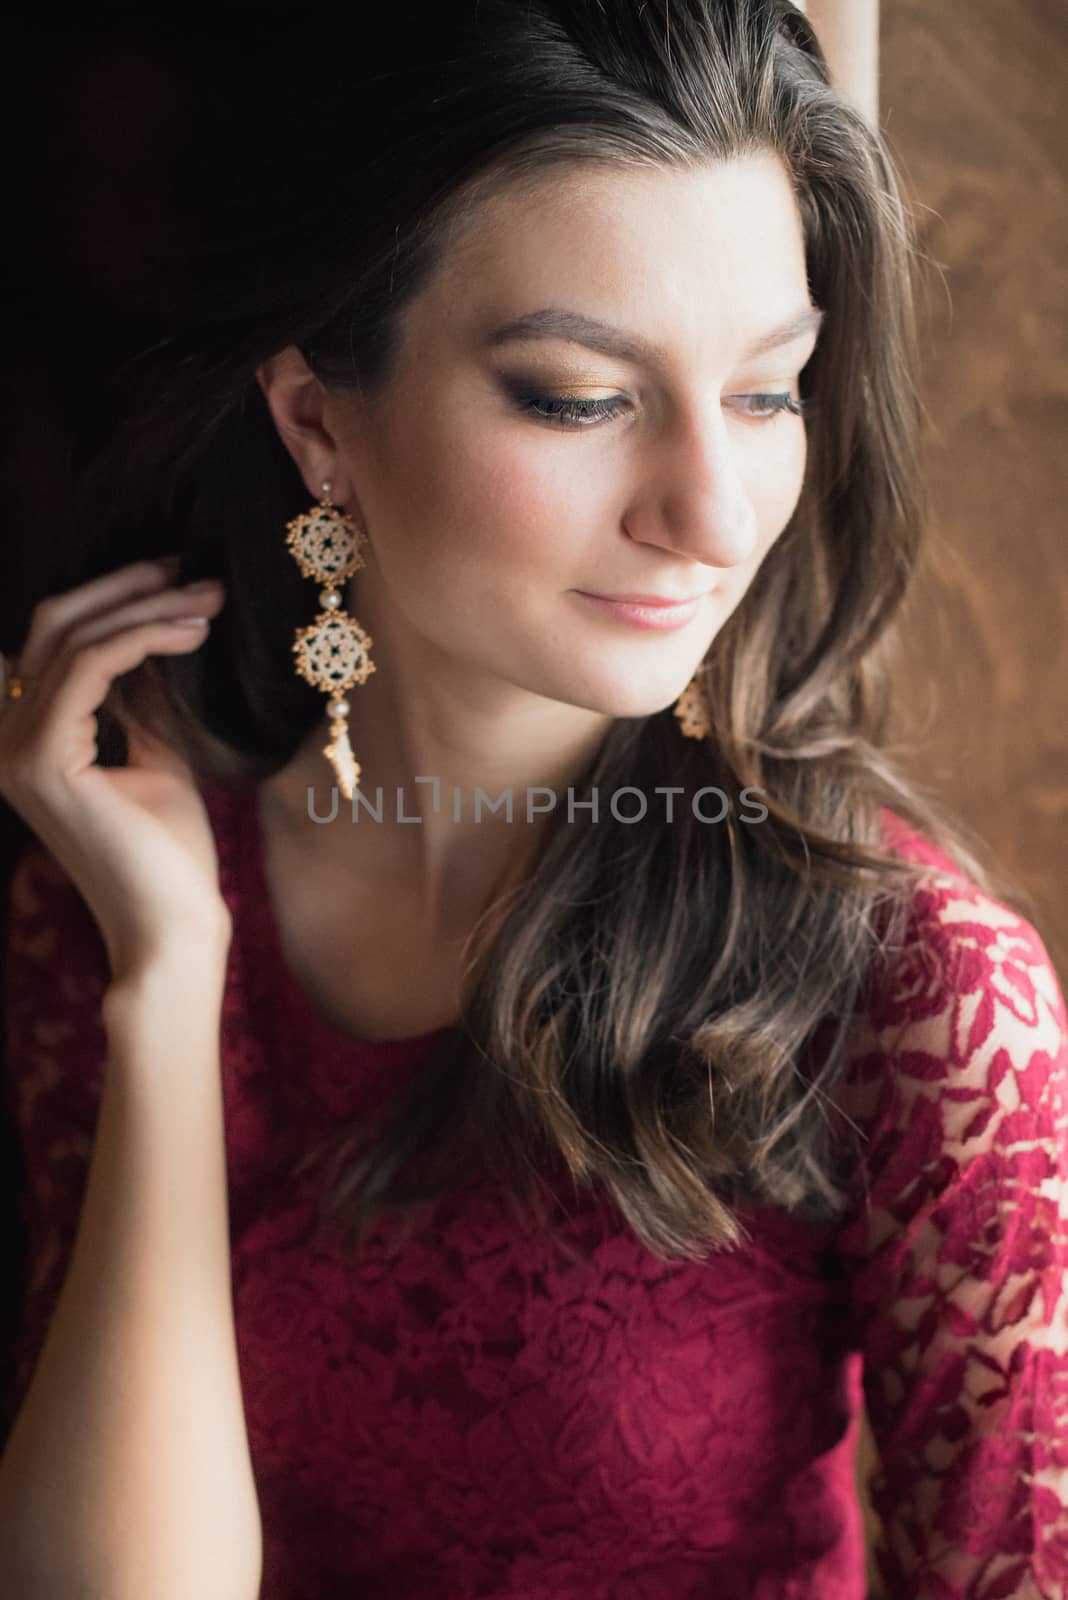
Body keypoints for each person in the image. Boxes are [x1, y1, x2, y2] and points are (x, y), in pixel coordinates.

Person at [0, 3, 1065, 1597]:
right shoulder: (117, 885)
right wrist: (165, 983)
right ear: (317, 423)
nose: (713, 511)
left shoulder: (921, 997)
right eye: (579, 396)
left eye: (770, 390)